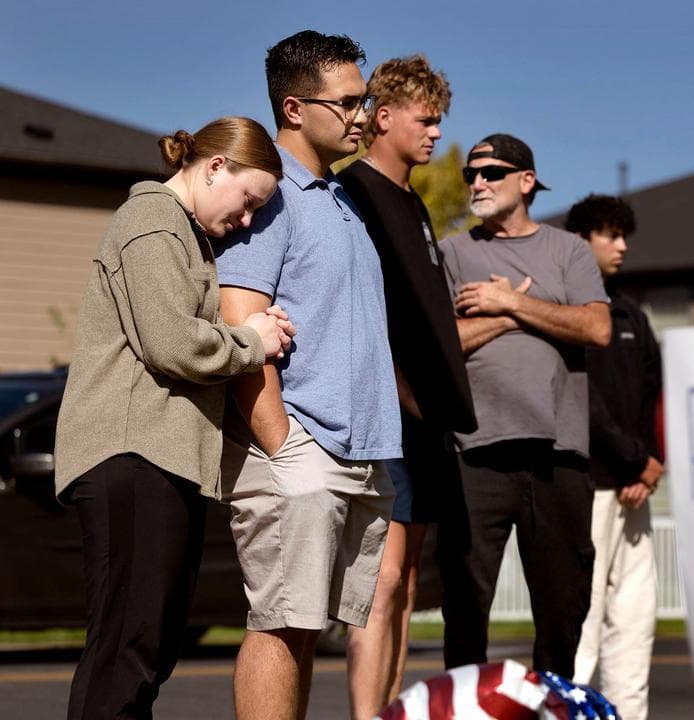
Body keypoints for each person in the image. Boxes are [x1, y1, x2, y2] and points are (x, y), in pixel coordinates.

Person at [53, 116, 294, 719]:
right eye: (246, 203)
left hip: (160, 459)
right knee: (127, 649)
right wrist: (249, 341)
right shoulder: (151, 220)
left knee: (148, 649)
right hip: (133, 454)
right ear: (216, 166)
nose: (244, 222)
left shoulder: (181, 233)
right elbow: (171, 342)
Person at [213, 31, 401, 720]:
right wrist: (282, 442)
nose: (363, 115)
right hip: (300, 451)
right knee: (280, 624)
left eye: (366, 99)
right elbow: (242, 320)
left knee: (309, 628)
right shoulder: (268, 197)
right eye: (348, 102)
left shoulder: (341, 201)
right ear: (294, 108)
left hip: (356, 453)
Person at [438, 134, 611, 676]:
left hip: (557, 453)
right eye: (471, 174)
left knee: (563, 607)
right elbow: (443, 345)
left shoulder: (569, 251)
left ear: (526, 181)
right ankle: (465, 712)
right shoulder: (454, 251)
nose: (477, 184)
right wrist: (510, 316)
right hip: (475, 452)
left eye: (490, 173)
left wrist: (510, 300)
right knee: (465, 607)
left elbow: (597, 327)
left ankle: (550, 704)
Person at [336, 54, 477, 717]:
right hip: (379, 414)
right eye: (425, 121)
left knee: (410, 576)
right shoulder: (353, 194)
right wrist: (398, 393)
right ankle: (366, 714)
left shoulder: (415, 203)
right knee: (381, 576)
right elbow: (353, 313)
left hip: (424, 419)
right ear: (383, 116)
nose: (435, 134)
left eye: (440, 122)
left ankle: (389, 709)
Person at [564, 194, 663, 720]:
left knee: (635, 620)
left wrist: (650, 464)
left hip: (634, 489)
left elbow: (656, 395)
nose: (622, 246)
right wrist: (632, 460)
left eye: (625, 235)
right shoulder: (571, 311)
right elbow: (583, 402)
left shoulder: (632, 315)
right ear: (583, 240)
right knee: (584, 624)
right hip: (591, 487)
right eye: (610, 235)